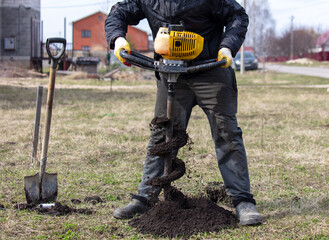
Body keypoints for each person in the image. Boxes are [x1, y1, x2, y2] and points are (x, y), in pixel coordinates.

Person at [105, 0, 262, 226]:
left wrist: (227, 47)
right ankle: (146, 198)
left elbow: (238, 17)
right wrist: (118, 39)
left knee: (226, 134)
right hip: (171, 72)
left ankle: (242, 201)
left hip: (211, 69)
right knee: (162, 135)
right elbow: (118, 14)